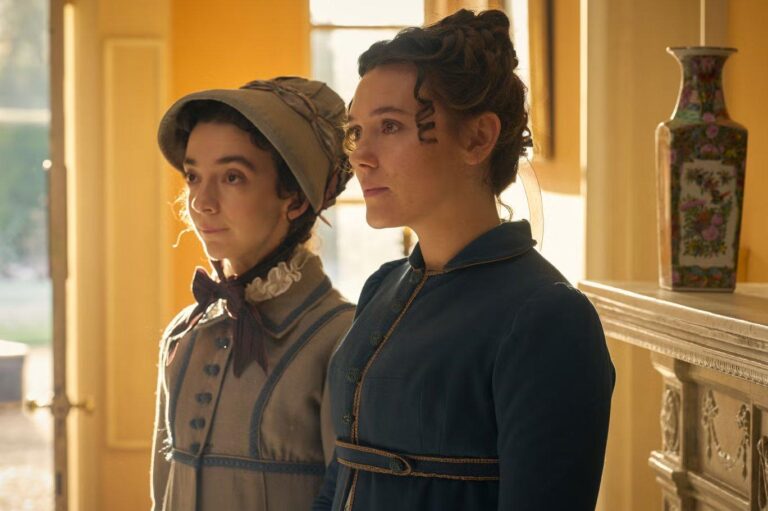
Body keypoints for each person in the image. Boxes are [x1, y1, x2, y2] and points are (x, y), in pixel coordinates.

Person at [313, 9, 615, 511]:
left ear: (477, 138)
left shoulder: (548, 317)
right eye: (357, 131)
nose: (361, 156)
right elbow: (341, 474)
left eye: (389, 126)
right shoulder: (382, 287)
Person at [150, 77, 355, 511]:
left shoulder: (341, 341)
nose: (201, 202)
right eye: (193, 176)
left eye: (232, 177)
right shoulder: (183, 333)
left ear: (295, 198)